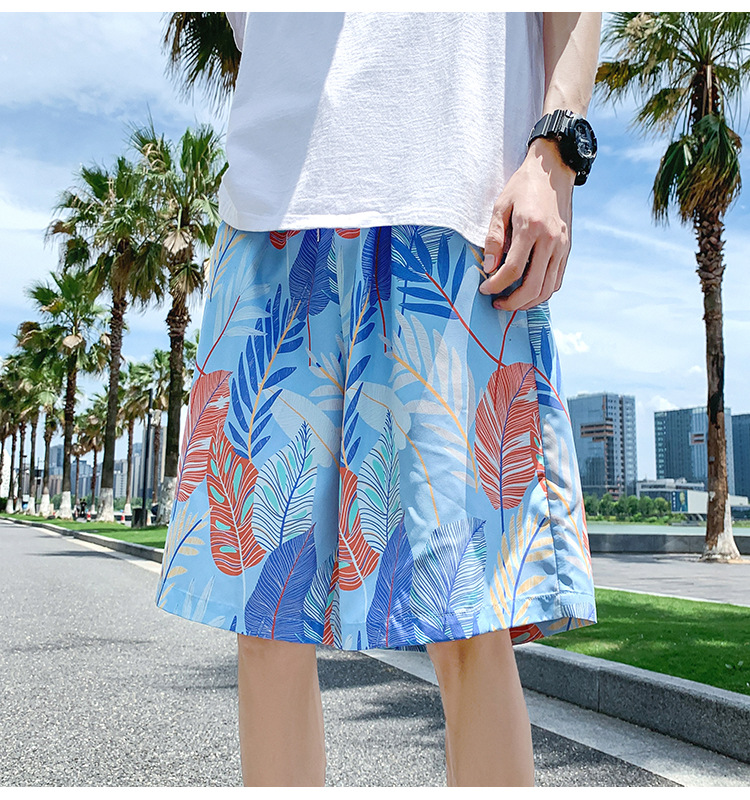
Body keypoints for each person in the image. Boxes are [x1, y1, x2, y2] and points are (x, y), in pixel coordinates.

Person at [155, 11, 602, 787]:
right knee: (267, 622)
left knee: (468, 617)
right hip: (272, 211)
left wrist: (555, 149)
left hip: (454, 204)